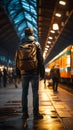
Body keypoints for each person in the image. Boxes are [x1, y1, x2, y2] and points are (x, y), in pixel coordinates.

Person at [15, 27, 45, 119]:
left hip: (24, 72)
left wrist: (18, 74)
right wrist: (42, 73)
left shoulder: (20, 44)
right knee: (35, 93)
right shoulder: (36, 44)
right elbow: (40, 60)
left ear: (25, 34)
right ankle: (36, 114)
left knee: (24, 93)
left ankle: (25, 114)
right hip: (34, 72)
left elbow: (16, 60)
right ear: (32, 34)